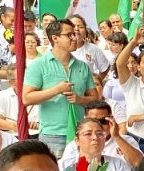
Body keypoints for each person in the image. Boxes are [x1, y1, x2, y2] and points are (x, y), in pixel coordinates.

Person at [22, 19, 98, 158]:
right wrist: (56, 90)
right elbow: (26, 98)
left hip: (80, 133)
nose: (74, 38)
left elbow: (95, 99)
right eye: (69, 35)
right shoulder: (39, 65)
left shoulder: (82, 66)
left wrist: (80, 99)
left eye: (75, 34)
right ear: (55, 38)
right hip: (52, 135)